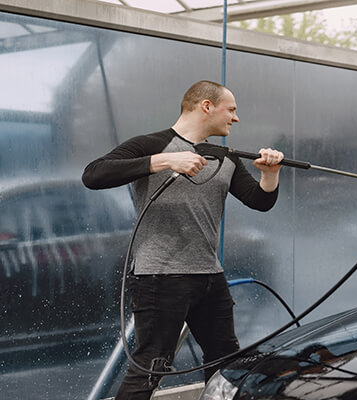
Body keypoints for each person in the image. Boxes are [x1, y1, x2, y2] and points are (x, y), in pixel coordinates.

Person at [82, 80, 284, 399]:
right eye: (231, 110)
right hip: (160, 277)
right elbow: (93, 174)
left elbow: (260, 201)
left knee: (226, 365)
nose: (236, 118)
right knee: (152, 366)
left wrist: (269, 174)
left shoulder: (225, 157)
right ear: (206, 106)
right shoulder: (152, 145)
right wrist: (165, 161)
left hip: (209, 277)